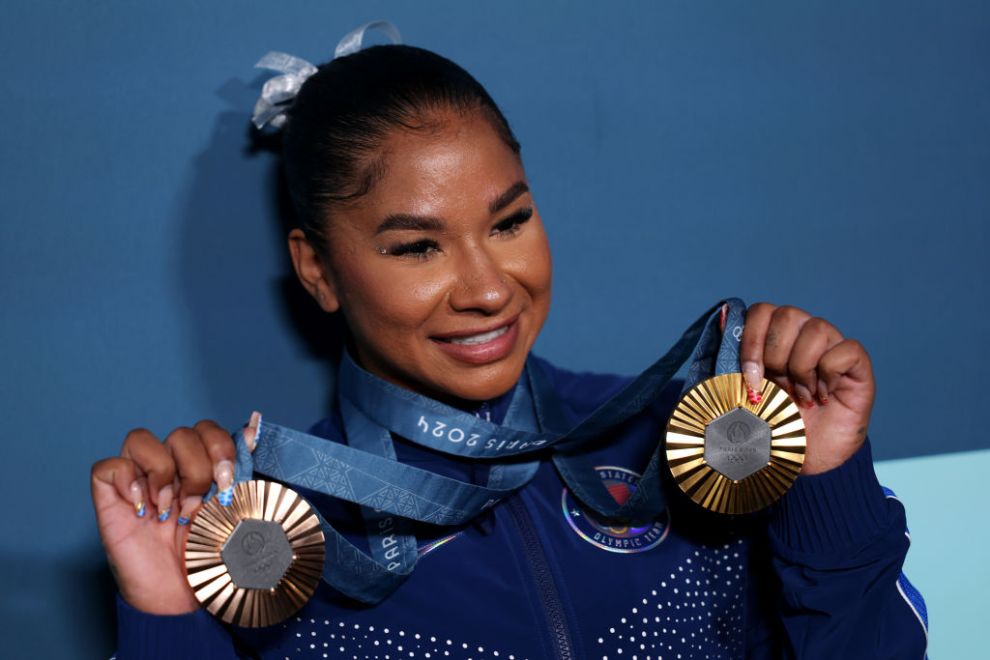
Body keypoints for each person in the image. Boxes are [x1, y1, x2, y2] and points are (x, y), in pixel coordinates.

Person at [90, 29, 928, 660]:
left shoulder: (692, 440)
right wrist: (167, 615)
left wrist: (822, 483)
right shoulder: (257, 538)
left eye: (510, 221)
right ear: (318, 271)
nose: (489, 288)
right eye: (416, 246)